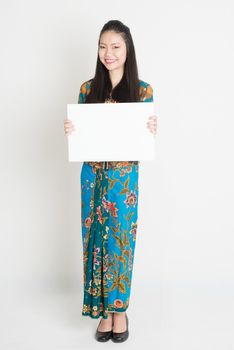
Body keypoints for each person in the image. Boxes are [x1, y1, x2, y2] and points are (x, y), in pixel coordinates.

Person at [64, 20, 157, 343]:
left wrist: (150, 130)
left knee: (119, 243)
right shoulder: (88, 89)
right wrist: (72, 129)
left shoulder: (143, 91)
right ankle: (102, 312)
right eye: (103, 46)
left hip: (123, 179)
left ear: (127, 49)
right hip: (92, 175)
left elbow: (142, 142)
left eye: (115, 46)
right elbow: (84, 135)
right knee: (94, 241)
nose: (108, 53)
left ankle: (120, 311)